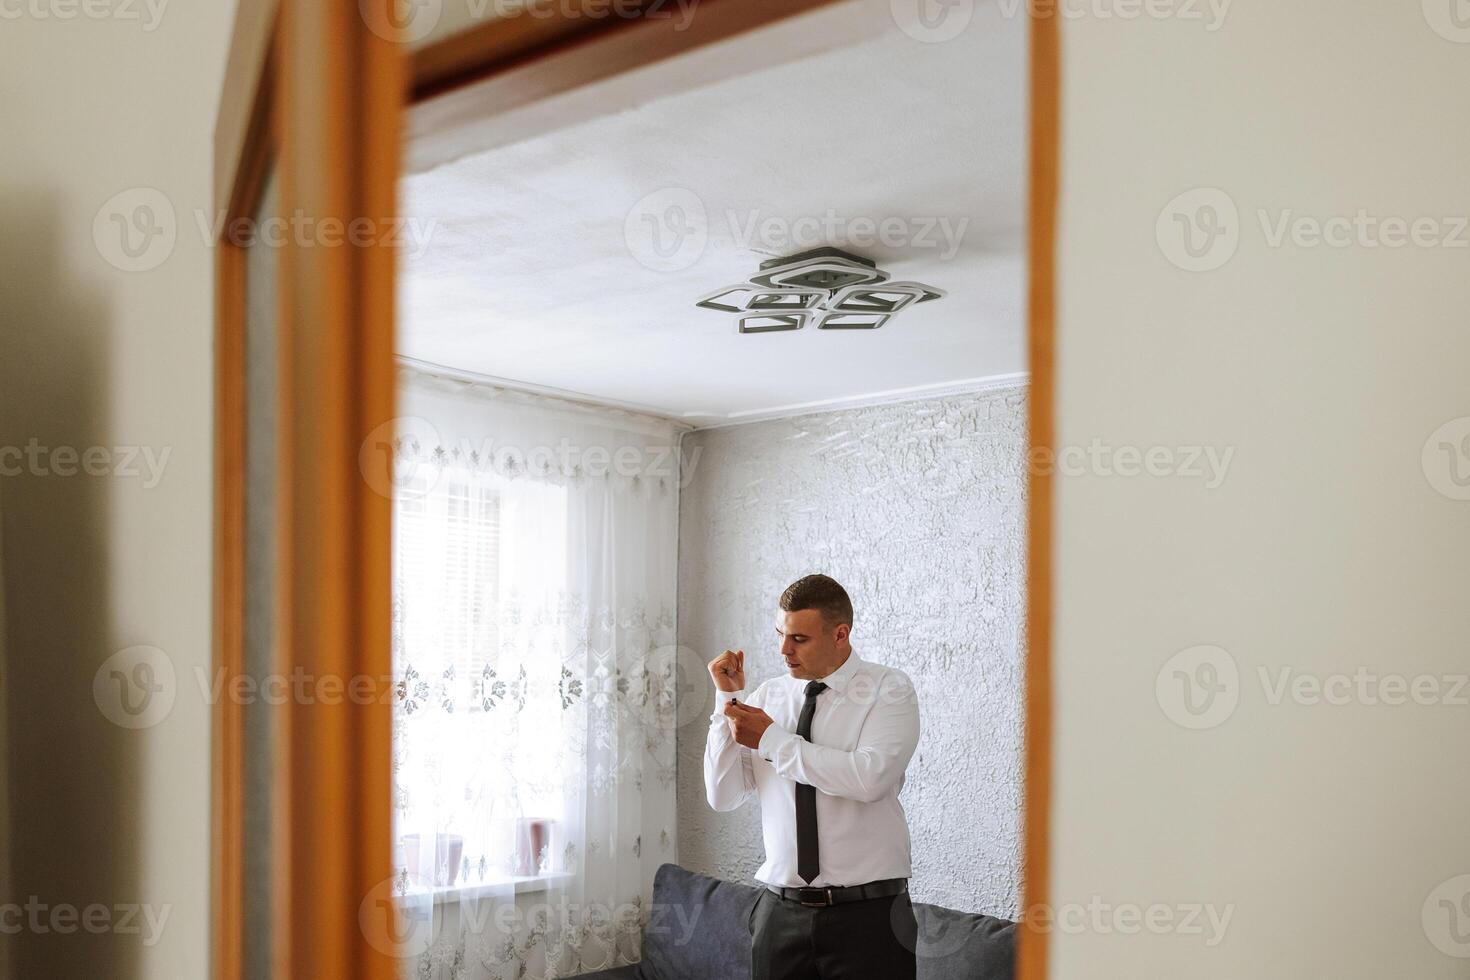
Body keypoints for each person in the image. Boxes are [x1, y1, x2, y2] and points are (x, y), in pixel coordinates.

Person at [704, 573, 922, 980]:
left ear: (841, 634)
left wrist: (772, 741)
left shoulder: (888, 689)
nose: (783, 650)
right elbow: (723, 794)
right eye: (780, 635)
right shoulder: (768, 697)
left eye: (799, 639)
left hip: (870, 917)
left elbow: (869, 778)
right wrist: (727, 701)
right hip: (779, 915)